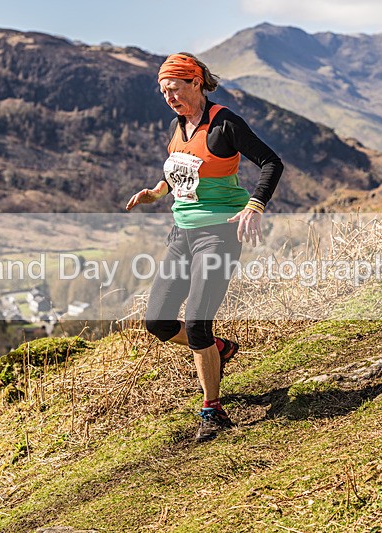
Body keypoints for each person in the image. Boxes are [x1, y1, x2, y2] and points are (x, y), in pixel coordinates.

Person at [126, 53, 283, 441]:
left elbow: (271, 162)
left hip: (219, 234)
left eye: (174, 89)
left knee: (197, 322)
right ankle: (219, 349)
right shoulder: (179, 125)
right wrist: (158, 191)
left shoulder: (225, 123)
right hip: (181, 235)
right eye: (163, 92)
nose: (169, 98)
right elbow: (183, 169)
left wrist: (254, 205)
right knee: (158, 322)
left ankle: (212, 411)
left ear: (196, 82)